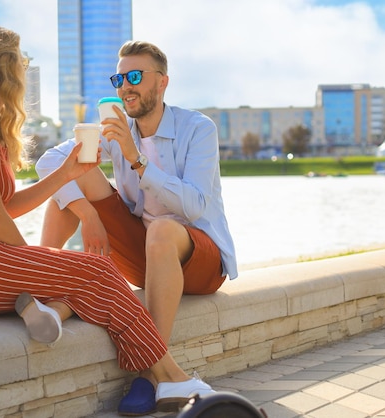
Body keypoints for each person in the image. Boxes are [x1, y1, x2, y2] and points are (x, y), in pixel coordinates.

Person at [0, 26, 215, 415]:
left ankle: (53, 310)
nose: (24, 70)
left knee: (85, 280)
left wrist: (66, 175)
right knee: (99, 271)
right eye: (20, 62)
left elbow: (5, 206)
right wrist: (33, 263)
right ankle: (170, 377)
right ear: (2, 69)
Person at [35, 40, 238, 415]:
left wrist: (135, 158)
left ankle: (148, 374)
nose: (125, 86)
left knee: (161, 229)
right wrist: (87, 213)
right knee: (71, 182)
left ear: (161, 83)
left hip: (200, 260)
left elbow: (193, 206)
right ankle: (43, 289)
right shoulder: (115, 129)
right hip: (146, 254)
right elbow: (48, 163)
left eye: (135, 76)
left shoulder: (198, 128)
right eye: (119, 78)